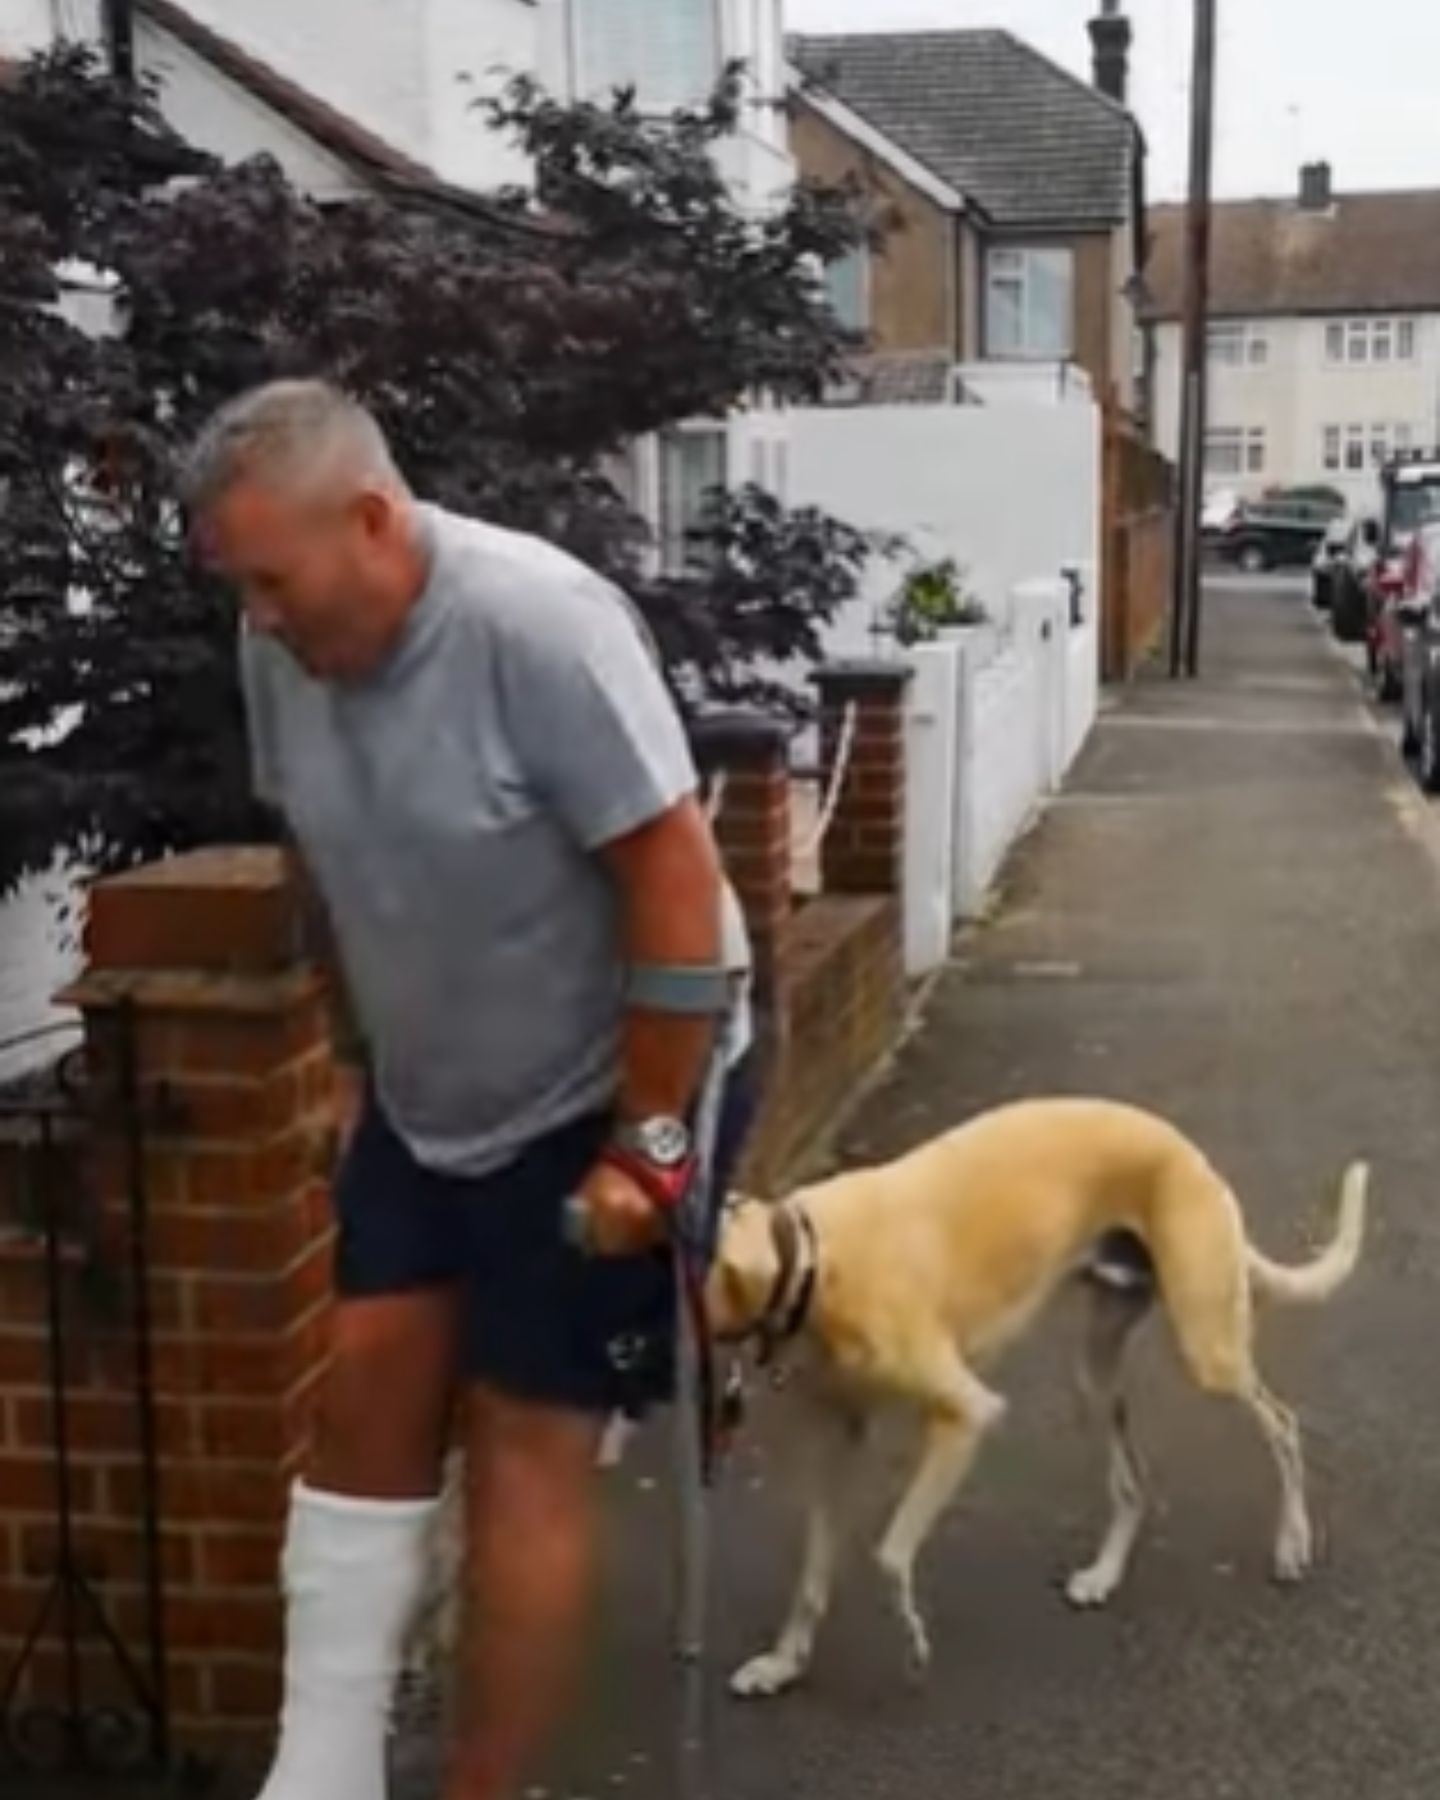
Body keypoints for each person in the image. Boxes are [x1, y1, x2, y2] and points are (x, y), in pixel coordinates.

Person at [181, 379, 756, 1800]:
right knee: (367, 1388)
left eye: (272, 579)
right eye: (240, 586)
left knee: (522, 1443)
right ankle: (320, 1776)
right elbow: (330, 860)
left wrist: (651, 1146)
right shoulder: (284, 653)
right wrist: (357, 1061)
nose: (258, 616)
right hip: (433, 1096)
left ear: (373, 521)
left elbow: (677, 887)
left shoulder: (534, 627)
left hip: (612, 1080)